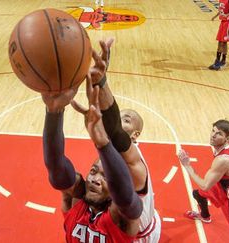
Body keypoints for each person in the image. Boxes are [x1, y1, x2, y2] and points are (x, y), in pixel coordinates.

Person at [42, 73, 143, 242]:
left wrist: (102, 143)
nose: (95, 179)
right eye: (94, 171)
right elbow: (56, 168)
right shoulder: (77, 199)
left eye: (106, 177)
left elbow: (124, 195)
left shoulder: (121, 216)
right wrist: (54, 111)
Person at [81, 38, 161, 242]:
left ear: (135, 135)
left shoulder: (132, 160)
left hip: (140, 236)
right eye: (120, 116)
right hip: (130, 221)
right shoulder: (116, 151)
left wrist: (101, 81)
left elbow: (114, 129)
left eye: (126, 119)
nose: (118, 121)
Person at [178, 120, 229, 243]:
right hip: (225, 187)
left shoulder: (223, 160)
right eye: (213, 130)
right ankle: (205, 216)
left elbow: (205, 185)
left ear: (227, 138)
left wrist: (187, 165)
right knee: (198, 194)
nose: (213, 135)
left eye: (219, 134)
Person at [209, 0, 229, 70]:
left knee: (222, 42)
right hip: (223, 22)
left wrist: (227, 15)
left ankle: (220, 62)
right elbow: (222, 10)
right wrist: (215, 16)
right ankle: (219, 61)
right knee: (221, 42)